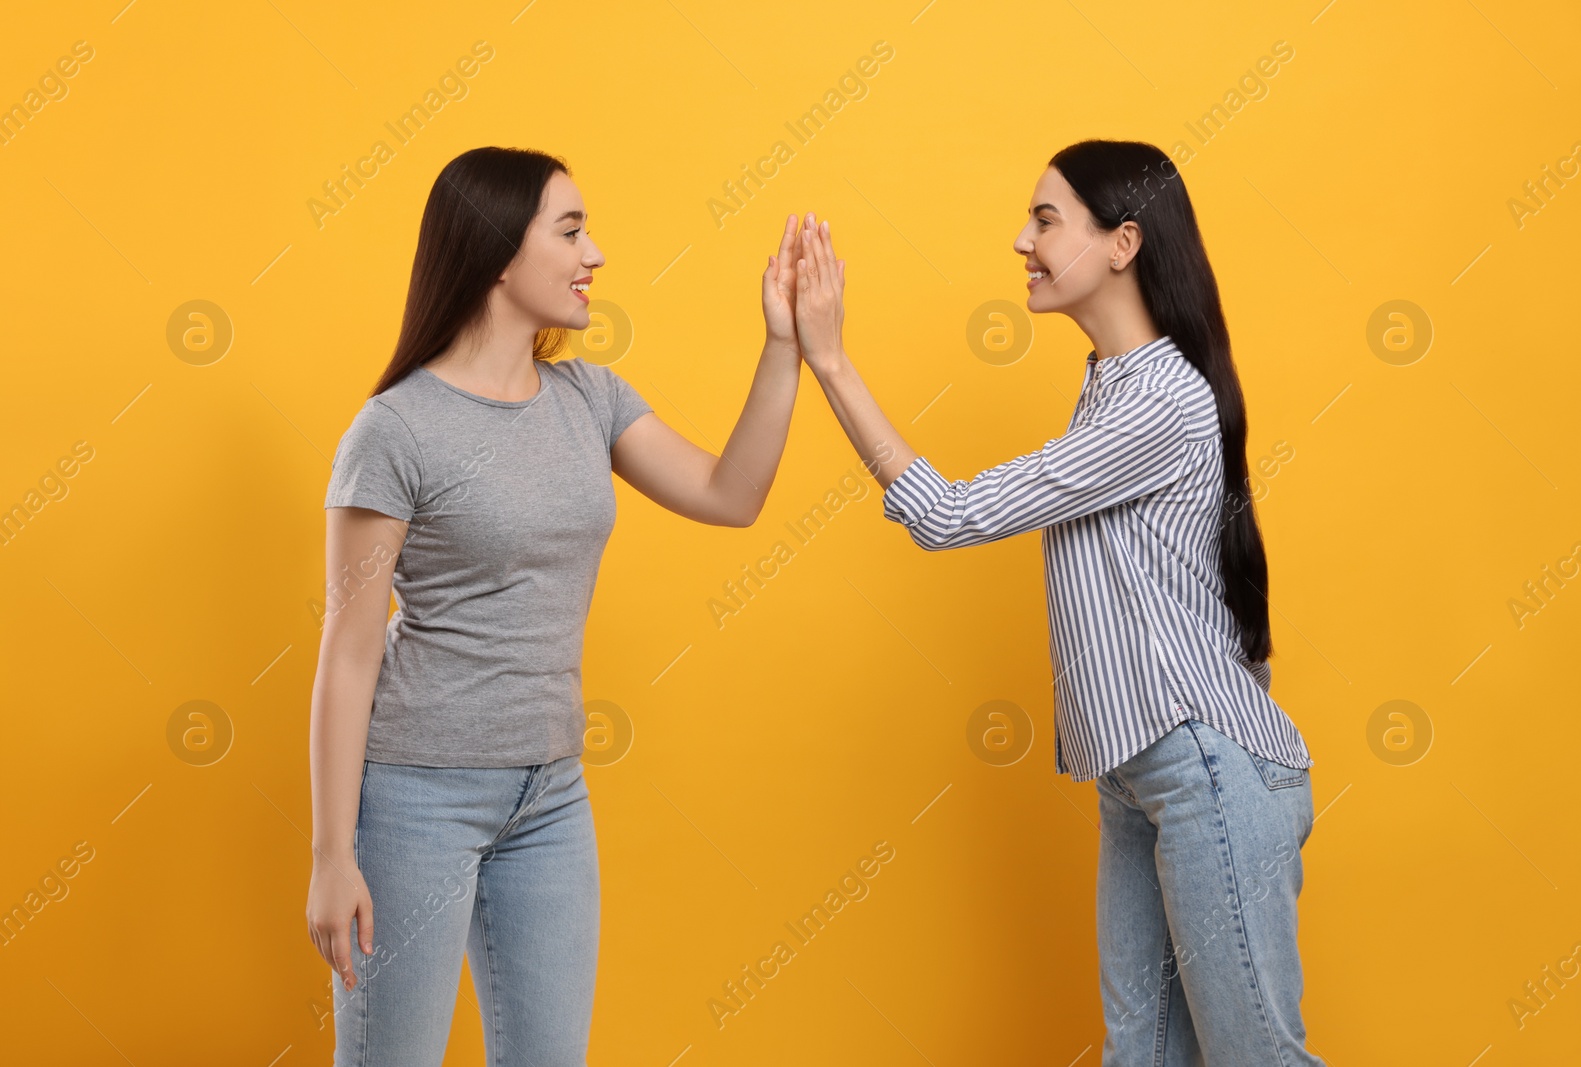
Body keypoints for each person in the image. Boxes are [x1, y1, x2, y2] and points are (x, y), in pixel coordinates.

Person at [788, 139, 1325, 1065]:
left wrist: (832, 363)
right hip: (1140, 774)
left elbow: (949, 515)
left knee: (1256, 1057)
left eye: (1044, 219)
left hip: (1205, 771)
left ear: (1122, 243)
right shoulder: (1109, 388)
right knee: (1142, 1057)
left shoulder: (1157, 400)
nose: (1020, 241)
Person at [305, 145, 811, 1065]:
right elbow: (348, 651)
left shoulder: (590, 397)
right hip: (419, 794)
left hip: (550, 797)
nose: (597, 254)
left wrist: (784, 345)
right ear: (500, 252)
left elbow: (732, 494)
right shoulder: (395, 430)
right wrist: (332, 854)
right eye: (572, 229)